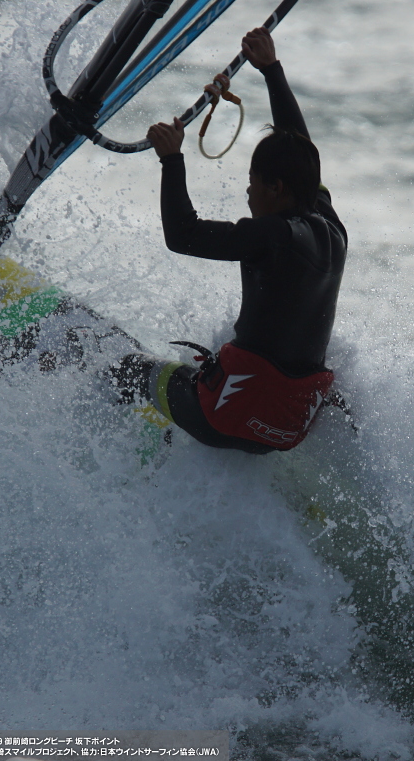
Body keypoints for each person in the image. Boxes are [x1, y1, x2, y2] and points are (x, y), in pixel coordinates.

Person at [110, 27, 346, 454]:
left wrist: (172, 160)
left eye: (252, 182)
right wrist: (271, 70)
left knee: (130, 369)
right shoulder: (331, 226)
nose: (248, 192)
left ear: (275, 187)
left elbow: (182, 235)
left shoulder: (272, 234)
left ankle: (120, 450)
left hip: (225, 418)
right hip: (286, 429)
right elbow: (301, 147)